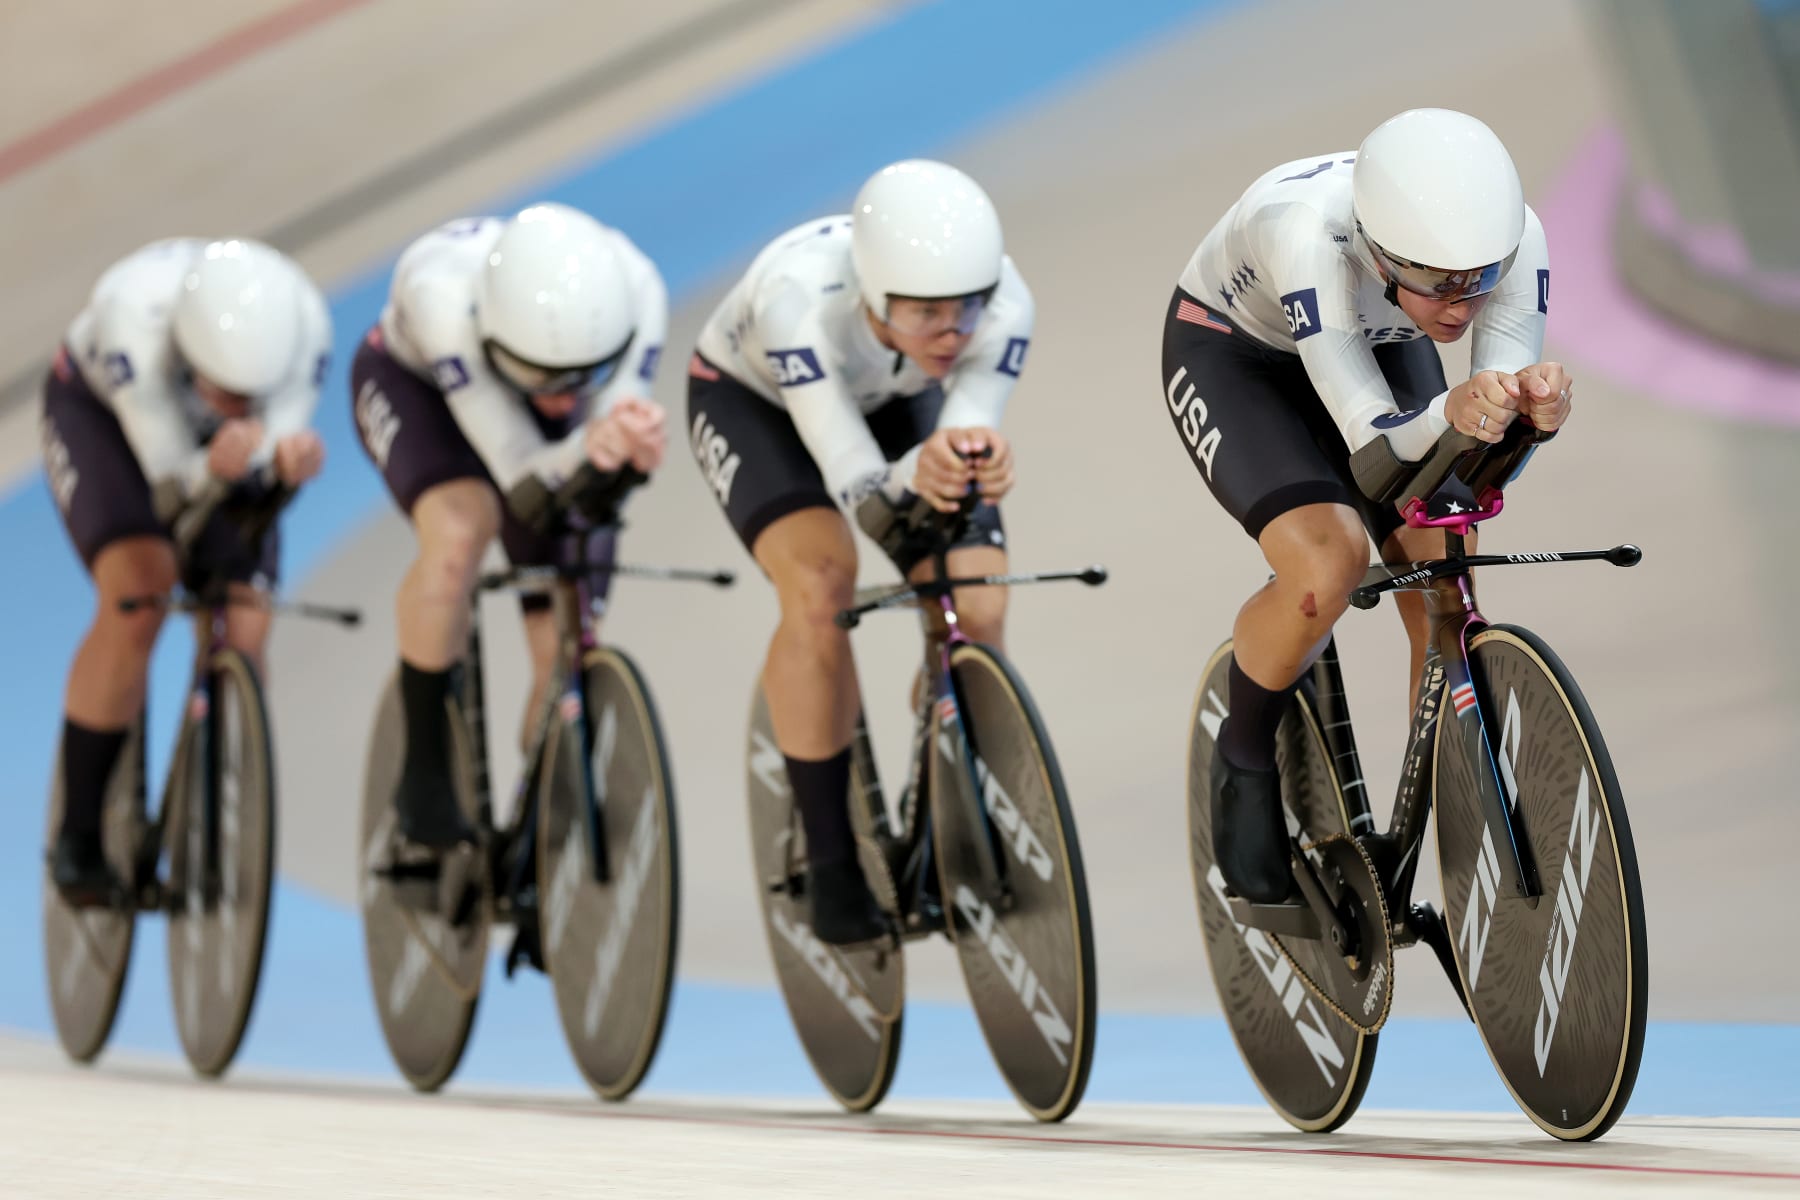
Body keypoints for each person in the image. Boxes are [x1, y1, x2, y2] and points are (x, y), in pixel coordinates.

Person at [1160, 108, 1575, 904]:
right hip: (1238, 358)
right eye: (1436, 280)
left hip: (1377, 337)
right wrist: (1461, 414)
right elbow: (1375, 446)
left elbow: (1480, 473)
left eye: (1479, 279)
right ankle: (1243, 755)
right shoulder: (1306, 234)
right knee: (1330, 562)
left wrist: (1529, 416)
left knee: (1443, 562)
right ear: (1379, 251)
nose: (1460, 307)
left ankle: (1453, 803)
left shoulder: (1511, 241)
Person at [687, 159, 1033, 944]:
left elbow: (963, 426)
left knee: (977, 603)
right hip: (763, 408)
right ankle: (832, 856)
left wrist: (972, 453)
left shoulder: (1005, 305)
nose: (955, 333)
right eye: (928, 314)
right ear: (874, 297)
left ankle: (954, 780)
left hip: (896, 401)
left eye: (968, 311)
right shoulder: (795, 305)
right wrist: (929, 469)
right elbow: (857, 481)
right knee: (821, 587)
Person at [352, 203, 668, 850]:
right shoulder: (441, 300)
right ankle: (425, 767)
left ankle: (543, 798)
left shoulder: (637, 290)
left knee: (567, 636)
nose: (562, 395)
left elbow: (592, 433)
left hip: (540, 417)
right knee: (461, 532)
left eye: (583, 379)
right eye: (544, 379)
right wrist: (591, 443)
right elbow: (521, 478)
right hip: (427, 395)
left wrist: (624, 449)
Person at [43, 237, 331, 904]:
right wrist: (215, 463)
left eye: (248, 395)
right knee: (139, 590)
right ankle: (78, 833)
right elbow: (171, 488)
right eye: (222, 391)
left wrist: (286, 465)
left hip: (218, 451)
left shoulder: (303, 325)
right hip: (109, 424)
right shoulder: (132, 322)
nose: (235, 403)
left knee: (247, 622)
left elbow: (267, 464)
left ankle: (217, 789)